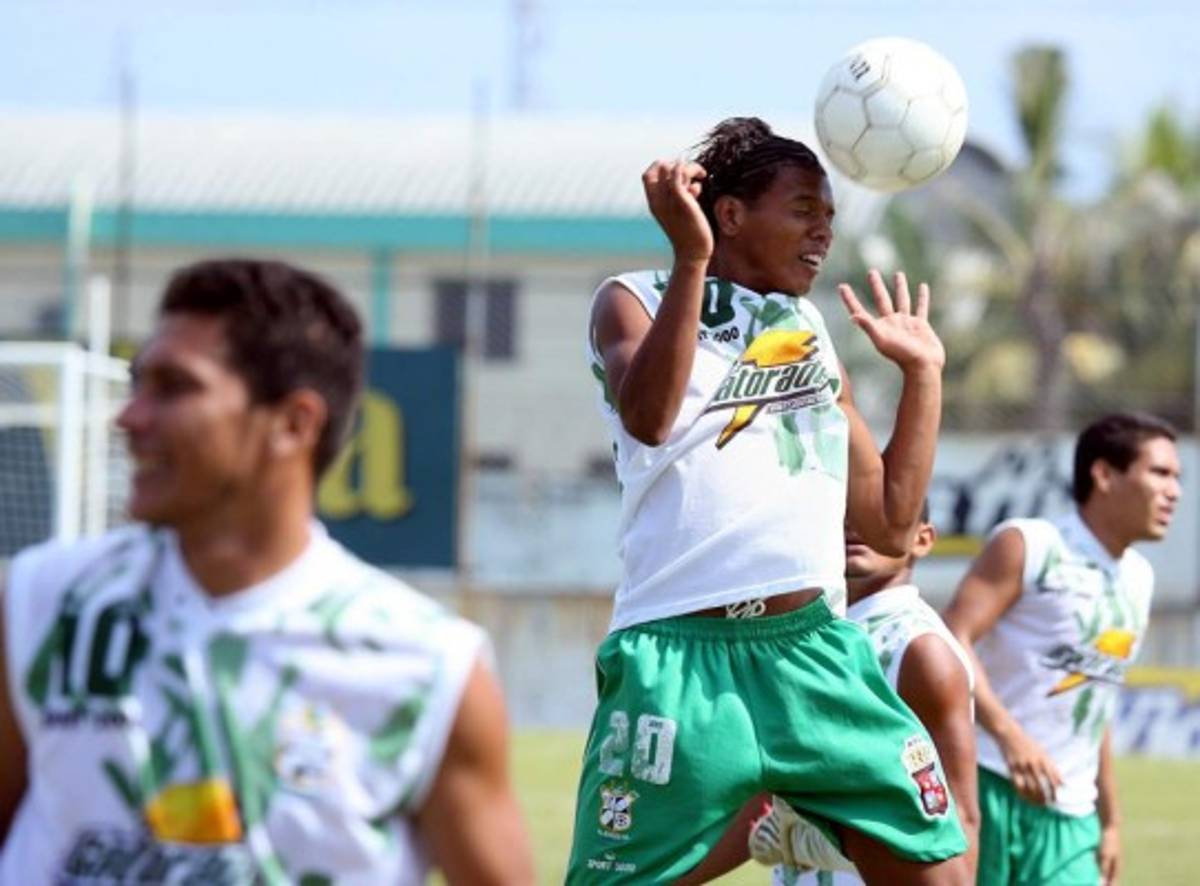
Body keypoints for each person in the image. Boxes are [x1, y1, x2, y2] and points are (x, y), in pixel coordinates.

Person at [0, 259, 535, 885]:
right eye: (138, 384)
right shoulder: (45, 600)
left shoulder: (427, 665)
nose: (130, 418)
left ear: (293, 423)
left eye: (173, 388)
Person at [567, 116, 967, 883]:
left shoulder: (806, 329)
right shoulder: (630, 299)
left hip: (814, 651)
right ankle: (775, 823)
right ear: (730, 216)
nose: (822, 233)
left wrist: (923, 377)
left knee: (936, 874)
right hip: (680, 658)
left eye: (829, 218)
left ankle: (792, 820)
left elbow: (888, 524)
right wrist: (691, 259)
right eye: (803, 211)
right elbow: (648, 420)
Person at [943, 412, 1182, 886]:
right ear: (1105, 474)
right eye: (1160, 473)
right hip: (985, 783)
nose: (1174, 491)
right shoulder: (1032, 544)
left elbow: (1098, 699)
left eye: (1177, 477)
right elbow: (952, 638)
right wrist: (1010, 736)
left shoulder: (1139, 578)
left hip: (1072, 815)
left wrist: (1110, 819)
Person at [743, 508, 979, 885]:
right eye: (843, 511)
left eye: (879, 513)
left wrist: (802, 842)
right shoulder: (811, 636)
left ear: (922, 539)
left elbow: (956, 826)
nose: (854, 525)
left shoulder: (917, 648)